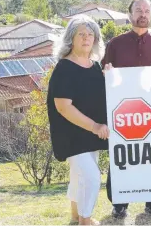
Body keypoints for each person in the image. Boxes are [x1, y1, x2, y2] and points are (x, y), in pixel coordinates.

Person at [101, 0, 151, 219]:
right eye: (138, 10)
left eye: (147, 11)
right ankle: (120, 204)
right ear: (130, 14)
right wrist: (107, 73)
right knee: (121, 157)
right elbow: (104, 74)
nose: (143, 14)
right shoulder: (115, 44)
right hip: (123, 112)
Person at [47, 15, 109, 225]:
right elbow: (64, 107)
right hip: (72, 135)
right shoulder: (64, 68)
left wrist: (110, 78)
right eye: (81, 34)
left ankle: (75, 214)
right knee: (91, 177)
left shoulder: (95, 66)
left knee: (79, 175)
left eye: (90, 34)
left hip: (91, 134)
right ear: (71, 39)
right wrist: (95, 126)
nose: (86, 38)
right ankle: (85, 219)